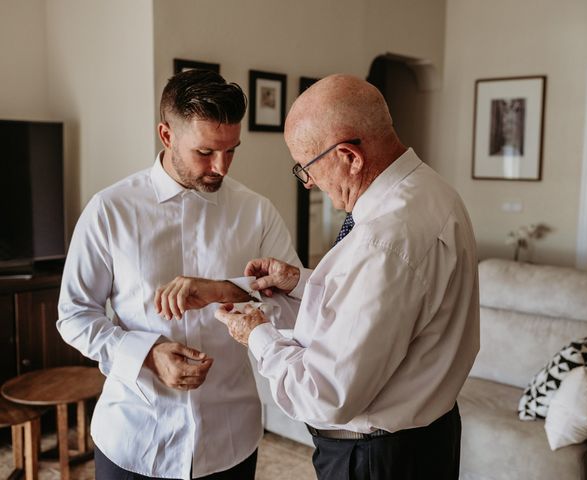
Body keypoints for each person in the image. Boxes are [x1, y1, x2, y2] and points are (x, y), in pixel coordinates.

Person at [160, 74, 479, 479]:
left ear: (350, 156)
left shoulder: (384, 241)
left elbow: (324, 396)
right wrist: (302, 282)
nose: (307, 181)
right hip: (429, 438)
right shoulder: (431, 190)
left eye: (306, 166)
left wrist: (257, 333)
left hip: (377, 460)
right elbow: (388, 304)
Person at [57, 69, 300, 480]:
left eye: (231, 151)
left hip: (229, 438)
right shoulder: (109, 211)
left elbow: (293, 308)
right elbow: (75, 314)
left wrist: (222, 290)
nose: (221, 167)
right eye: (205, 152)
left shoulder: (257, 212)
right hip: (134, 437)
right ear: (167, 135)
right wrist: (147, 354)